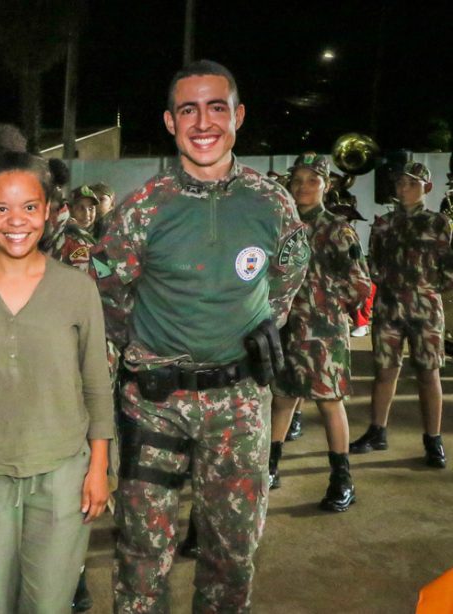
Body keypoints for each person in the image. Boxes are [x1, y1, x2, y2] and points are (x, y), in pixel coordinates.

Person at [91, 60, 308, 611]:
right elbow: (109, 294)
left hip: (240, 404)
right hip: (154, 405)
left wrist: (238, 332)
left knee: (232, 553)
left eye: (216, 108)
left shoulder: (272, 203)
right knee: (142, 554)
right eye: (188, 110)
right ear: (170, 122)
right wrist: (154, 347)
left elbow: (285, 281)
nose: (203, 122)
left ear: (238, 116)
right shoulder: (143, 208)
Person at [0, 124, 114, 613]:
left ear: (48, 211)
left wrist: (99, 468)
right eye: (2, 208)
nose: (16, 221)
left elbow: (97, 385)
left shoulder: (77, 289)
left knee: (48, 604)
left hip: (62, 471)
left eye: (29, 207)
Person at [268, 153, 371, 512]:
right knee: (282, 399)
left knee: (329, 403)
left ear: (326, 185)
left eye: (312, 180)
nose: (303, 187)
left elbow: (360, 284)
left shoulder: (337, 229)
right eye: (297, 180)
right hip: (286, 331)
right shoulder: (282, 227)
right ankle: (270, 467)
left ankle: (342, 480)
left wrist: (320, 300)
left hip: (324, 334)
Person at [350, 161, 452, 468]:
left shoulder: (439, 223)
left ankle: (433, 439)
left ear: (426, 187)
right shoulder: (384, 224)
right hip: (389, 307)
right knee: (384, 371)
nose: (403, 188)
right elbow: (374, 264)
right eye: (399, 183)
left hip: (425, 309)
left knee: (428, 374)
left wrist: (427, 289)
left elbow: (449, 267)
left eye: (411, 183)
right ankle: (377, 431)